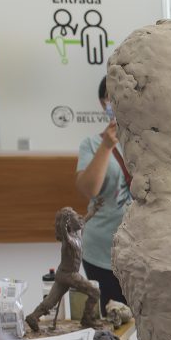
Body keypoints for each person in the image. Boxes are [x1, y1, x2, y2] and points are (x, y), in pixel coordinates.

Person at [73, 76, 131, 314]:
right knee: (113, 319)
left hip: (147, 251)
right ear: (103, 103)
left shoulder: (153, 142)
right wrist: (106, 146)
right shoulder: (91, 144)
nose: (119, 102)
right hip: (102, 251)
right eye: (111, 97)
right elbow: (89, 189)